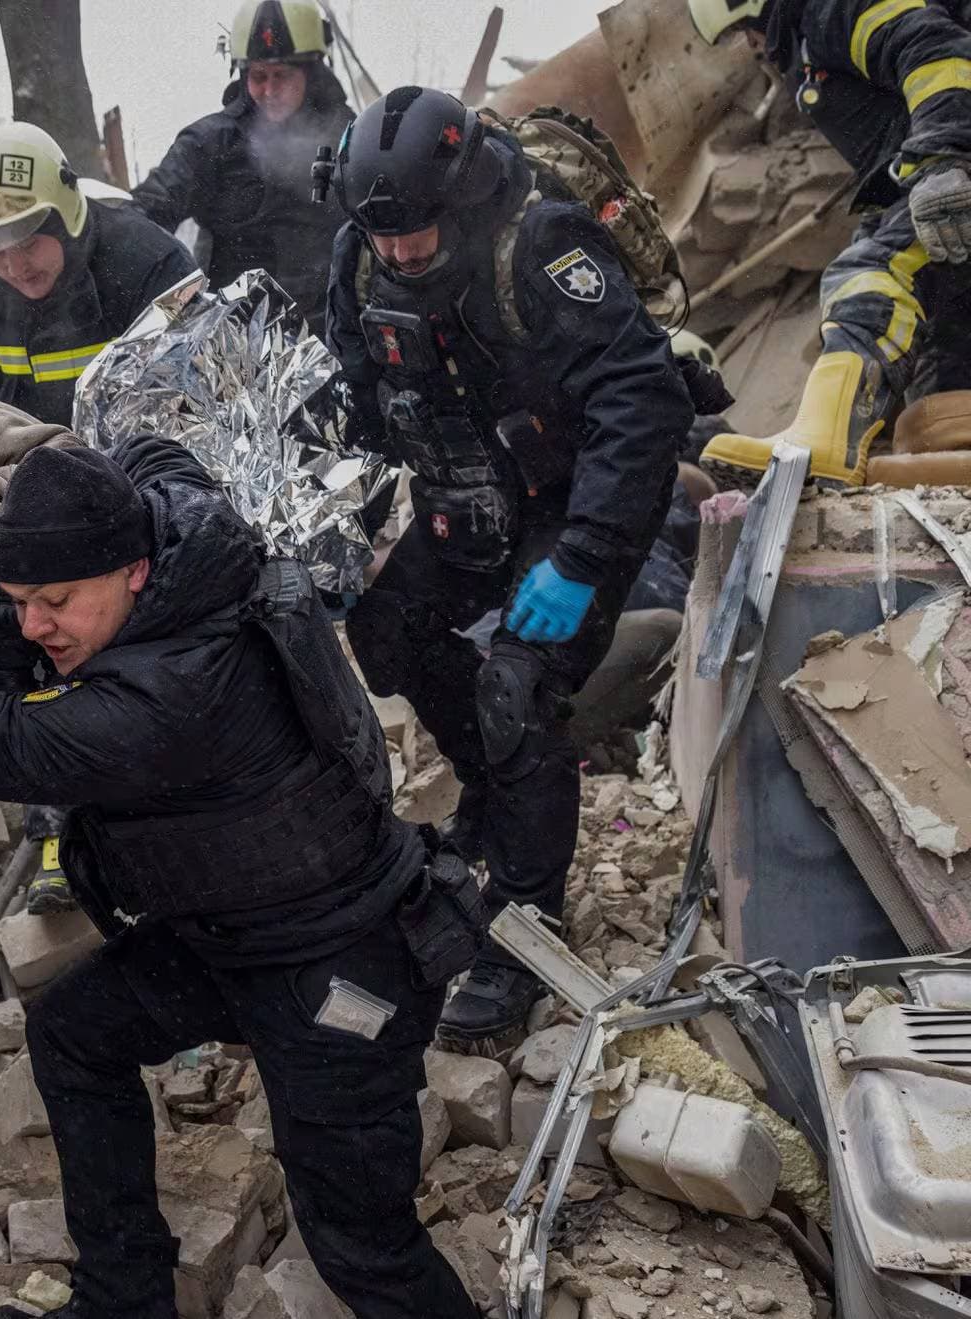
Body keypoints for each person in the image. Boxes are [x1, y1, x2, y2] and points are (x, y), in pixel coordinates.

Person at [0, 443, 479, 1319]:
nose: (34, 629)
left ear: (134, 570)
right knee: (74, 1032)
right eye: (19, 604)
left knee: (362, 1245)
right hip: (231, 939)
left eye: (55, 603)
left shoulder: (166, 699)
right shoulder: (186, 535)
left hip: (341, 964)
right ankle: (124, 1302)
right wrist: (26, 498)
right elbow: (156, 450)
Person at [325, 87, 691, 1039]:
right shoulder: (363, 259)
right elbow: (350, 395)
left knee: (518, 686)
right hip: (465, 490)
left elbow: (644, 400)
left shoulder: (542, 246)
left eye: (418, 232)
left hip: (574, 503)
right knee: (385, 628)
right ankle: (493, 796)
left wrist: (584, 557)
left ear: (465, 193)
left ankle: (527, 930)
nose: (401, 253)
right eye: (383, 235)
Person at [0, 122, 193, 914]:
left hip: (151, 486)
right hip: (31, 497)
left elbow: (197, 413)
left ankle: (171, 826)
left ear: (67, 211)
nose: (12, 264)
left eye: (23, 237)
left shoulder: (147, 264)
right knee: (20, 637)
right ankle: (56, 827)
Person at [688, 0, 971, 486]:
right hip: (937, 166)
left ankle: (823, 445)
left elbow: (935, 50)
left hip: (953, 162)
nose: (751, 48)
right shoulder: (814, 40)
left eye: (744, 33)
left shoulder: (832, 9)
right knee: (944, 338)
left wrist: (940, 159)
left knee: (868, 276)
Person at [0, 118, 197, 428]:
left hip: (143, 464)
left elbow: (191, 409)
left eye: (28, 244)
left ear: (66, 218)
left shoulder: (153, 267)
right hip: (14, 468)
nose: (15, 268)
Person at [130, 0, 356, 332]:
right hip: (235, 346)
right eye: (258, 76)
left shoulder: (352, 139)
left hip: (334, 336)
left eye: (282, 75)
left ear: (312, 71)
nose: (269, 90)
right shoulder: (209, 144)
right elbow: (145, 215)